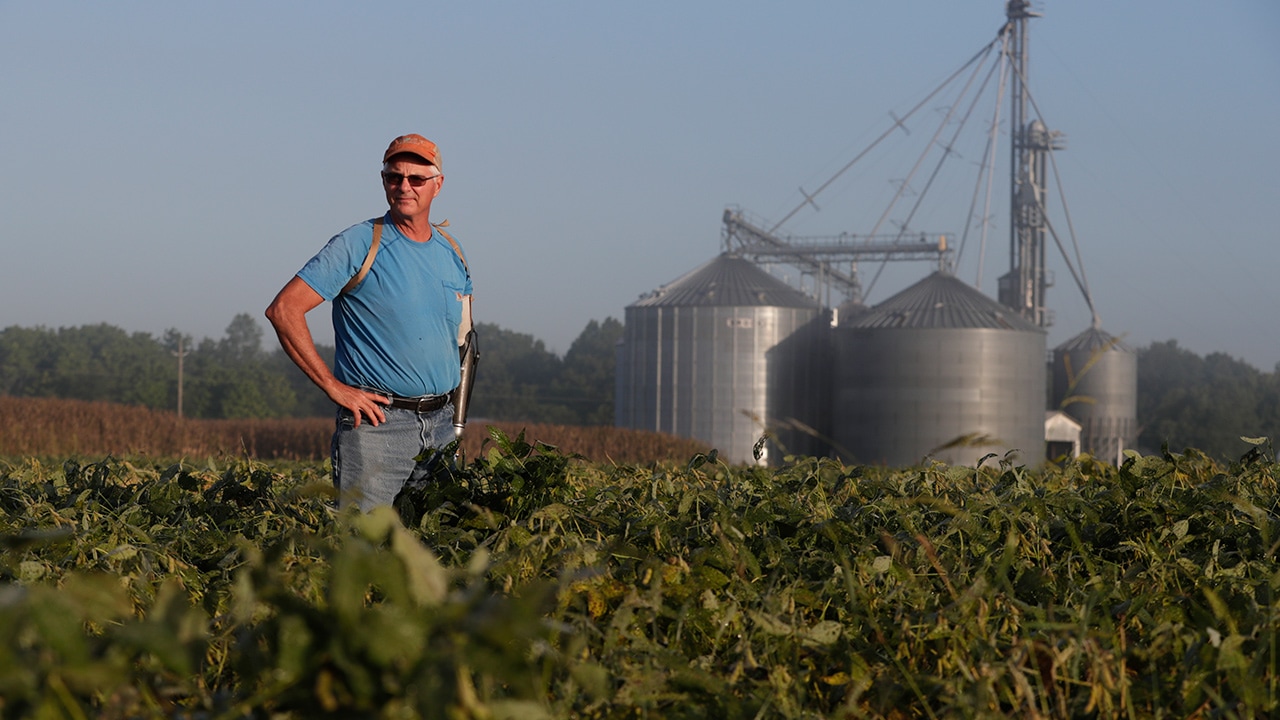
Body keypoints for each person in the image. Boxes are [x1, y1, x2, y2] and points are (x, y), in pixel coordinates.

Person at [265, 133, 473, 511]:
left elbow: (465, 343)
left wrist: (456, 423)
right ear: (383, 181)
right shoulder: (360, 243)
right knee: (363, 552)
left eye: (416, 179)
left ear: (438, 184)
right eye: (394, 177)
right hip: (379, 427)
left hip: (442, 427)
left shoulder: (451, 251)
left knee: (435, 549)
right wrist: (333, 386)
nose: (404, 186)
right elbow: (284, 310)